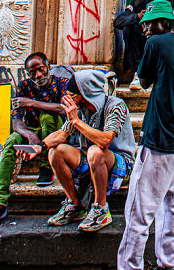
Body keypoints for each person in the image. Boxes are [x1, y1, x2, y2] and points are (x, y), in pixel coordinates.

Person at [95, 0, 174, 270]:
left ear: (162, 24)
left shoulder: (155, 43)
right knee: (172, 205)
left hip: (158, 140)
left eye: (148, 24)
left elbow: (142, 81)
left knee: (139, 210)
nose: (143, 28)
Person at [0, 52, 76, 228]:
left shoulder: (61, 83)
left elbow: (65, 110)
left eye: (40, 70)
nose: (37, 75)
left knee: (48, 117)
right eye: (32, 72)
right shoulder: (24, 86)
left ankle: (46, 168)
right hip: (31, 131)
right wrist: (30, 135)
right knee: (11, 141)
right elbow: (16, 120)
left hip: (56, 133)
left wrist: (31, 103)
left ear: (48, 66)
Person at [43, 68, 136, 232]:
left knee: (95, 151)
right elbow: (62, 134)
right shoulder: (79, 110)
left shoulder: (116, 105)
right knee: (55, 152)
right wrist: (39, 147)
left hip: (121, 165)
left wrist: (76, 121)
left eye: (73, 96)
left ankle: (101, 209)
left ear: (86, 92)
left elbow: (105, 141)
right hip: (91, 160)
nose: (71, 100)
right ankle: (75, 205)